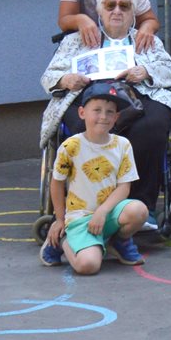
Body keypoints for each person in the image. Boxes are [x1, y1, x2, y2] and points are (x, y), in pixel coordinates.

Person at [40, 0, 171, 235]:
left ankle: (142, 207)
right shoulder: (75, 40)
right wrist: (66, 79)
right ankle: (84, 207)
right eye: (110, 5)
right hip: (88, 97)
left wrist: (146, 71)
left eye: (124, 6)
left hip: (136, 98)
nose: (117, 11)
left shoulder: (146, 40)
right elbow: (49, 76)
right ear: (100, 11)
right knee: (85, 127)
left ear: (132, 13)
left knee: (152, 127)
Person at [40, 90, 146, 273]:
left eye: (110, 112)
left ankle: (118, 241)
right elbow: (57, 183)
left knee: (139, 210)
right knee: (88, 266)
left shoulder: (123, 145)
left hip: (108, 213)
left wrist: (102, 211)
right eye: (97, 110)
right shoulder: (71, 146)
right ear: (82, 113)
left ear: (116, 117)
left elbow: (124, 187)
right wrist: (59, 220)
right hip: (80, 217)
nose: (103, 117)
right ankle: (63, 240)